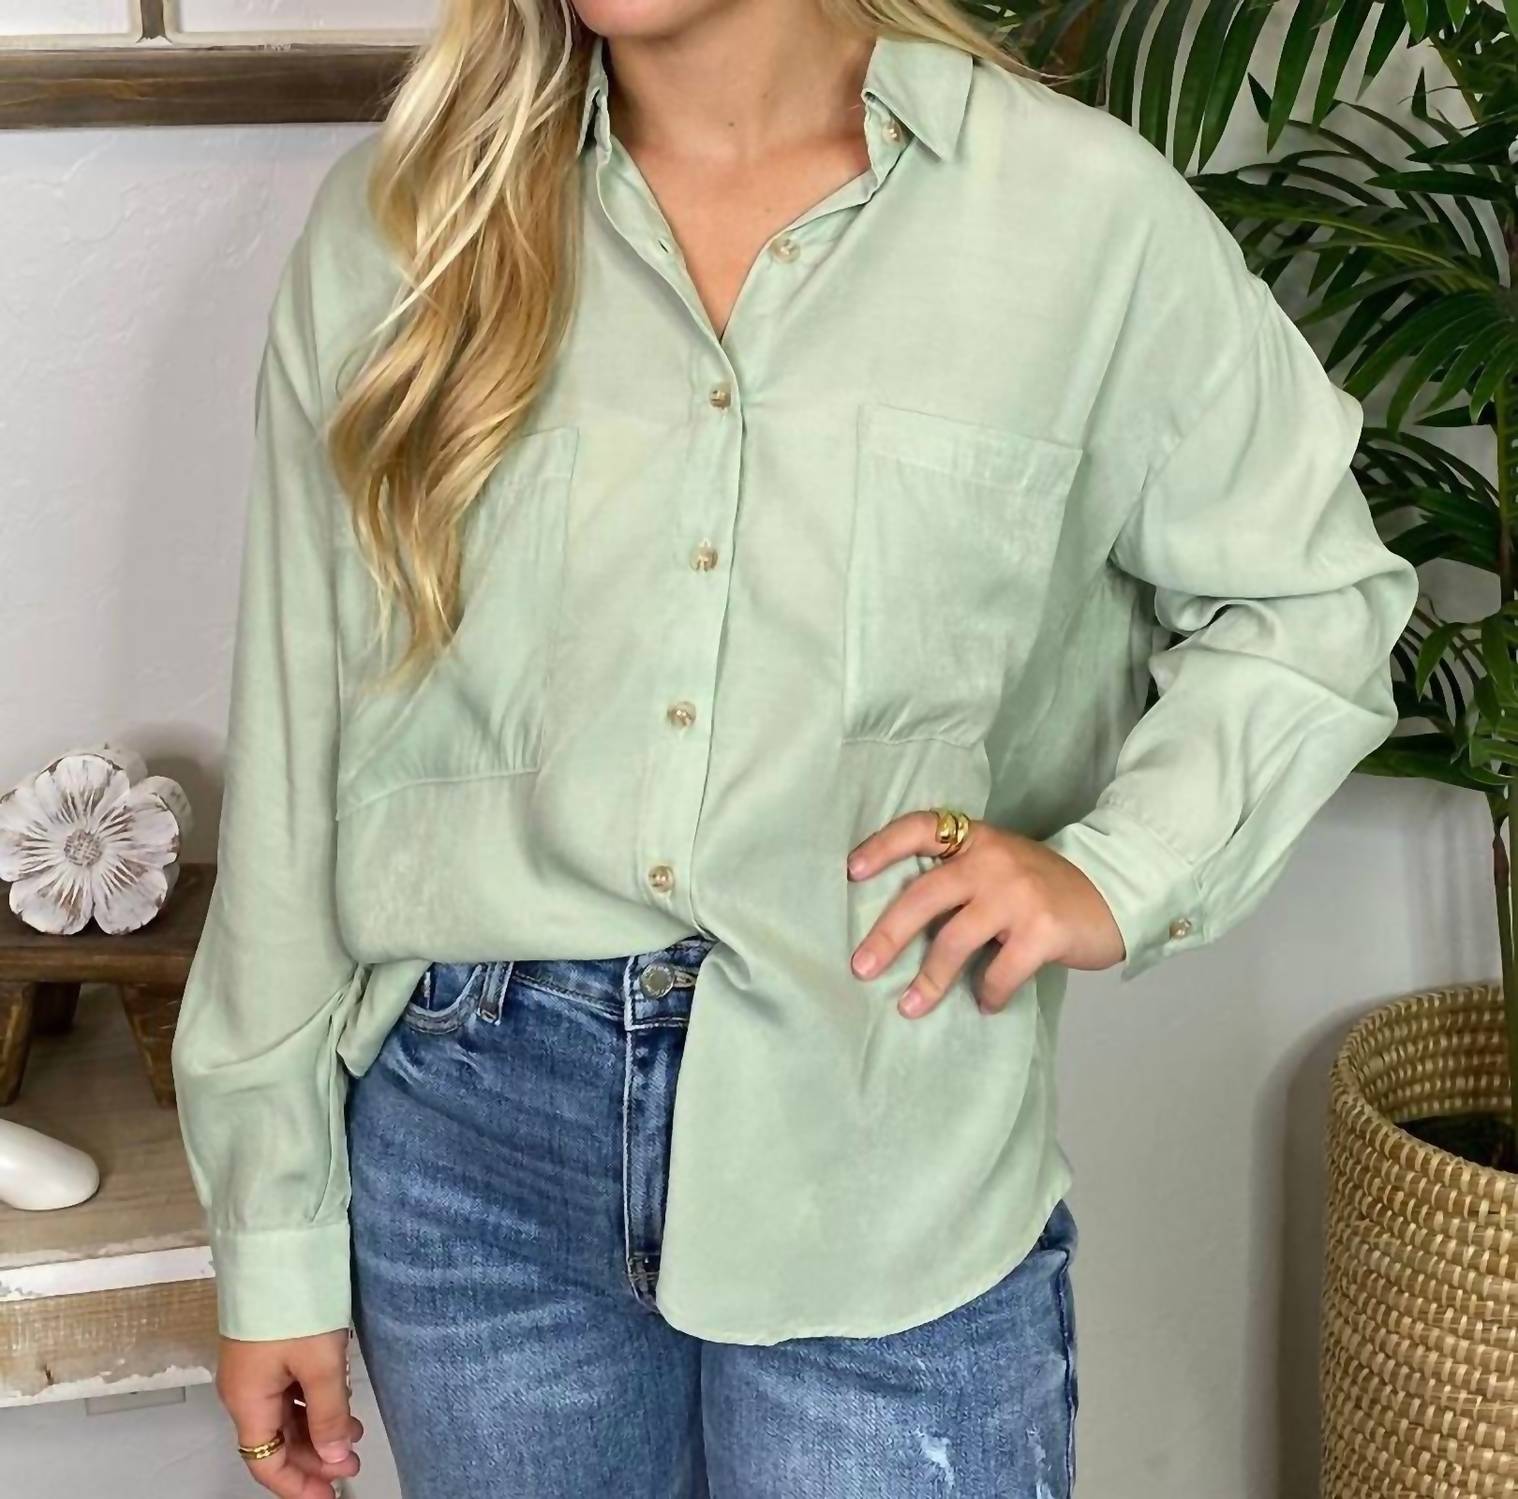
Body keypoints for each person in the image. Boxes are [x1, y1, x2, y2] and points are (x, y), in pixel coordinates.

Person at [168, 0, 1420, 1494]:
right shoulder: (402, 232)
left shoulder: (1078, 219)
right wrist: (273, 1237)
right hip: (473, 1169)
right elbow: (300, 741)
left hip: (885, 1150)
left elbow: (1312, 599)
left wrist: (1121, 869)